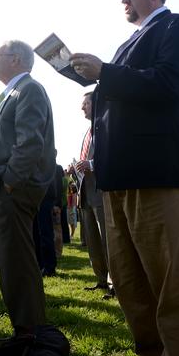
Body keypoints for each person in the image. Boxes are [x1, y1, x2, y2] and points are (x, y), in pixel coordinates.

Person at [70, 0, 179, 356]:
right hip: (120, 174)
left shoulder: (178, 26)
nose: (123, 1)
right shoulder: (130, 40)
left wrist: (105, 73)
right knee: (129, 277)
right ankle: (150, 355)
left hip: (160, 171)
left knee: (171, 277)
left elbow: (169, 84)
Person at [0, 40, 56, 338]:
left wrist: (10, 181)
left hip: (13, 188)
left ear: (16, 59)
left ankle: (29, 329)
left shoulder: (29, 89)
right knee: (11, 259)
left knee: (17, 260)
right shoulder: (12, 91)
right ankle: (24, 325)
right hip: (4, 185)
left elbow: (30, 143)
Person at [71, 91, 110, 296]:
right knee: (93, 241)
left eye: (85, 103)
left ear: (95, 104)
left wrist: (91, 164)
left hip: (102, 193)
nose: (82, 107)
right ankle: (101, 280)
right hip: (85, 194)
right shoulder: (88, 132)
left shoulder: (105, 127)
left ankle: (115, 284)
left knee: (107, 240)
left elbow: (112, 155)